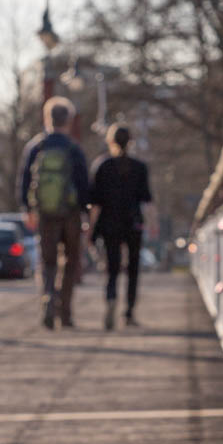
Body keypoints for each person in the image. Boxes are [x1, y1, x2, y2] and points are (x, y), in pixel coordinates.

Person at [19, 97, 90, 330]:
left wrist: (28, 209)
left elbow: (25, 180)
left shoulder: (36, 147)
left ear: (47, 119)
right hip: (70, 213)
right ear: (68, 121)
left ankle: (48, 299)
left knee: (47, 261)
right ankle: (65, 312)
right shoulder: (73, 148)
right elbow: (83, 184)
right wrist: (85, 214)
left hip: (45, 212)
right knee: (70, 263)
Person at [89, 123, 154, 330]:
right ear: (130, 142)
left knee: (112, 267)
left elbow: (95, 204)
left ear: (111, 141)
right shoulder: (139, 167)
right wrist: (152, 224)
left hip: (109, 223)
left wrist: (90, 230)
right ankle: (129, 312)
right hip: (133, 222)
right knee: (133, 269)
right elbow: (147, 200)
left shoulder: (102, 166)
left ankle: (110, 298)